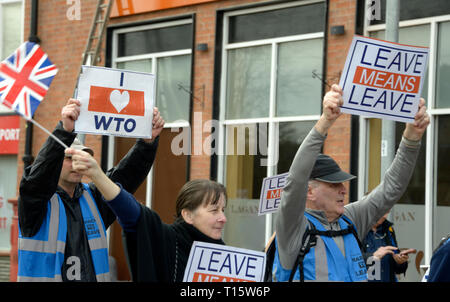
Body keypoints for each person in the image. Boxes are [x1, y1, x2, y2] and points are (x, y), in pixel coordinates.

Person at [271, 84, 430, 282]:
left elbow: (392, 188)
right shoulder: (293, 227)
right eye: (333, 185)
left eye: (342, 184)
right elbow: (295, 180)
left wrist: (411, 139)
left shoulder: (350, 219)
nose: (343, 190)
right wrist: (325, 122)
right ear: (309, 191)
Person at [17, 98, 164, 282]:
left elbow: (127, 175)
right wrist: (65, 130)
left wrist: (146, 143)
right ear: (55, 162)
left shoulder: (93, 198)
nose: (77, 161)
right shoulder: (36, 203)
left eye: (84, 154)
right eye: (69, 157)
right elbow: (36, 181)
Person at [106, 178, 227, 282]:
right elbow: (133, 214)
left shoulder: (227, 259)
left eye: (223, 210)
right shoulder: (168, 240)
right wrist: (97, 175)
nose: (223, 218)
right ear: (188, 215)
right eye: (214, 210)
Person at [363, 213, 416, 282]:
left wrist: (400, 261)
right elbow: (348, 261)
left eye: (387, 212)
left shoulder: (388, 230)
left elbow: (396, 268)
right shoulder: (357, 229)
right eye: (383, 211)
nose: (385, 216)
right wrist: (373, 256)